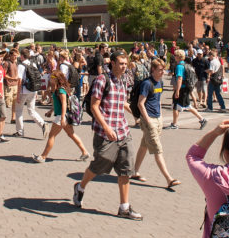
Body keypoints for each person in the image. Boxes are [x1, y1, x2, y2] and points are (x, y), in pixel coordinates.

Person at [72, 51, 142, 220]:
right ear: (112, 63)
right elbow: (95, 106)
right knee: (99, 167)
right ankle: (80, 187)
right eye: (121, 63)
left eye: (125, 63)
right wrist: (106, 127)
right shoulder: (102, 80)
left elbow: (121, 101)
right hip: (106, 133)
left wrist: (137, 115)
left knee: (126, 169)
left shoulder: (123, 80)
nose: (124, 66)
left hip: (123, 131)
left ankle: (124, 207)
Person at [129, 59, 180, 188]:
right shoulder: (147, 84)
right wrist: (148, 121)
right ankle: (169, 179)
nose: (163, 72)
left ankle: (134, 171)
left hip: (157, 119)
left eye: (164, 69)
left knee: (144, 145)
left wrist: (161, 117)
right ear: (153, 70)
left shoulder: (160, 82)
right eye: (160, 70)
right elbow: (141, 104)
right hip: (149, 120)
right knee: (158, 149)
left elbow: (158, 101)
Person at [32, 70, 89, 162]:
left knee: (51, 135)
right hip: (63, 115)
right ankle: (85, 152)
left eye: (51, 78)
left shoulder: (61, 89)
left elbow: (64, 104)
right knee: (71, 134)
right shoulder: (59, 88)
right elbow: (57, 103)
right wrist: (51, 111)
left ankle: (43, 157)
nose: (50, 79)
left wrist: (62, 117)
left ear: (56, 79)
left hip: (62, 116)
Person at [166, 51, 208, 130]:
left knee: (176, 105)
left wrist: (177, 90)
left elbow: (179, 78)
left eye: (175, 55)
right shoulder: (186, 64)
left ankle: (175, 124)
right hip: (186, 87)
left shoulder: (179, 66)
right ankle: (202, 119)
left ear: (178, 57)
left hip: (182, 88)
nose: (174, 57)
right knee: (186, 105)